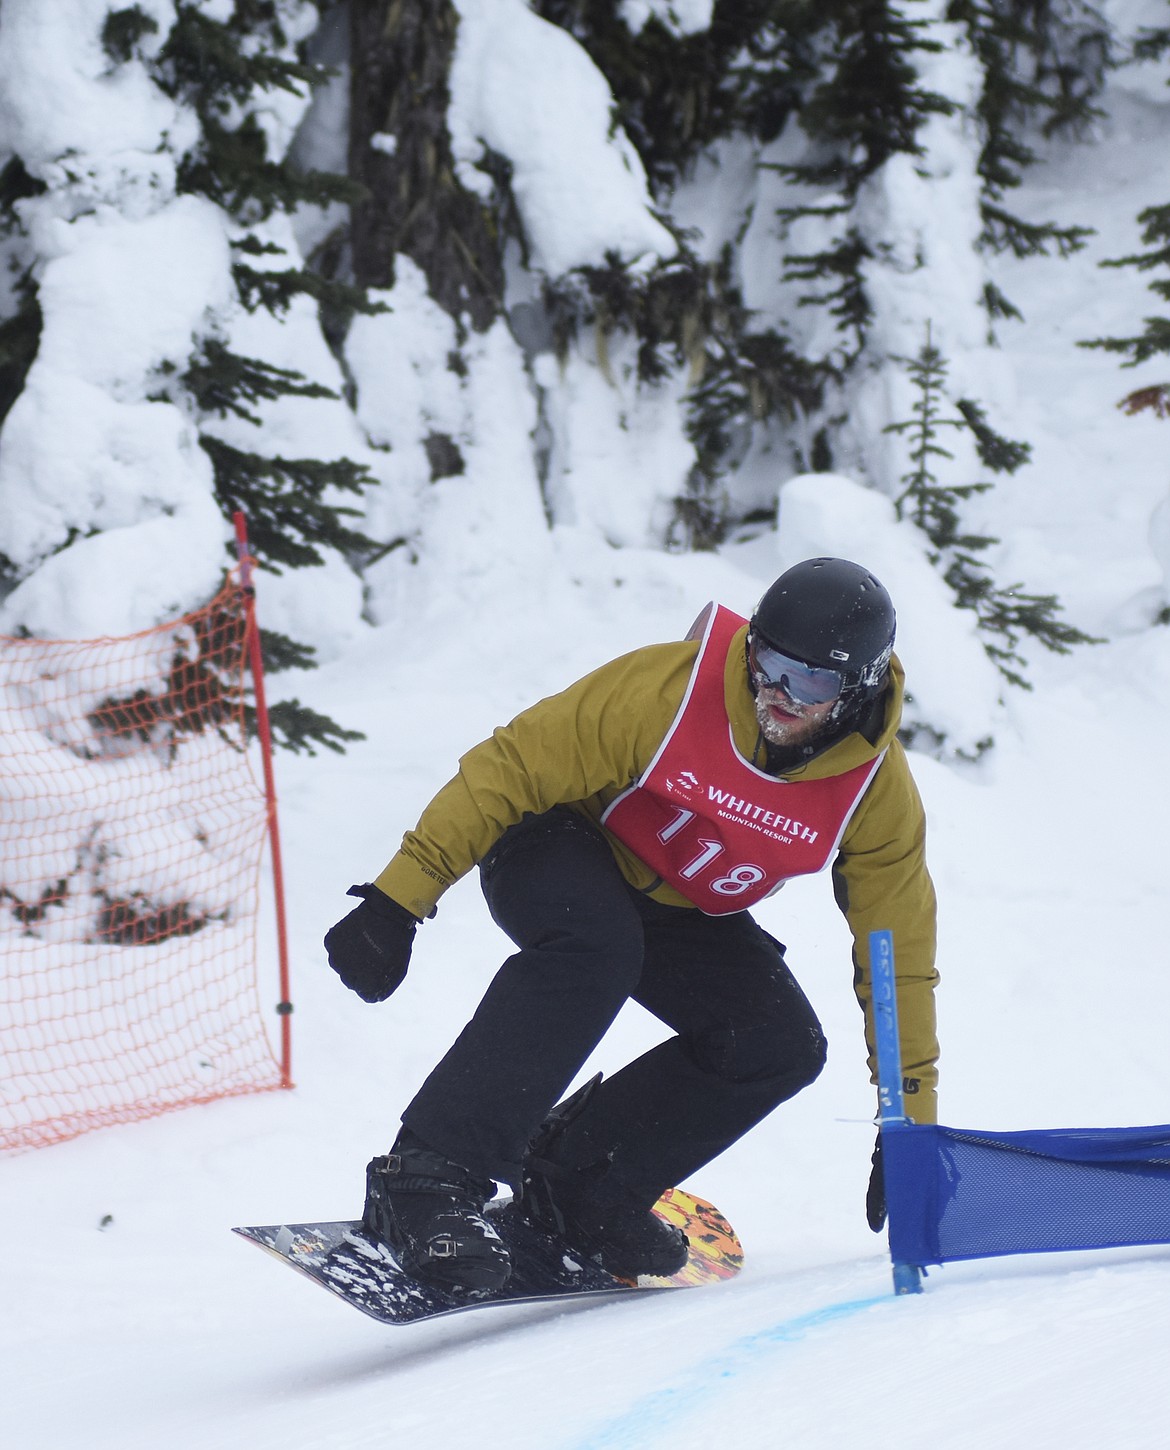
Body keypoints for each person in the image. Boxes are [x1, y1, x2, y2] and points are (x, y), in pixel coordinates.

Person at [324, 556, 938, 1293]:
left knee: (778, 1045)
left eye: (809, 681)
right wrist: (398, 899)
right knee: (596, 949)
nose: (776, 693)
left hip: (678, 901)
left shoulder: (873, 791)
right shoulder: (670, 693)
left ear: (856, 690)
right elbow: (512, 765)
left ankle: (580, 1188)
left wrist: (908, 1129)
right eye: (768, 663)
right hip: (558, 844)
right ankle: (422, 1181)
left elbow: (896, 950)